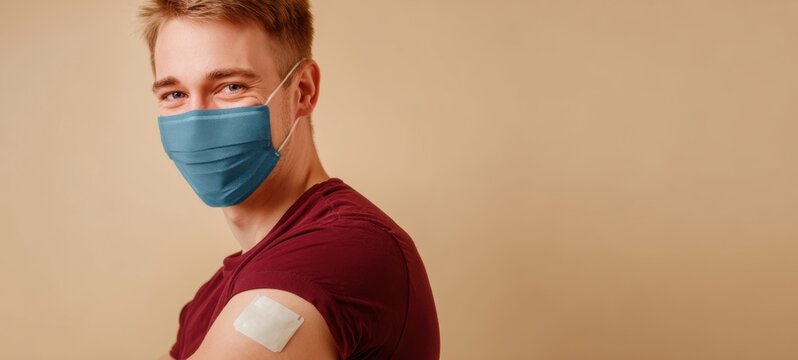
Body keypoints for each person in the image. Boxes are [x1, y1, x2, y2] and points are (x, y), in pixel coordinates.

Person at [137, 1, 440, 359]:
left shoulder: (342, 252)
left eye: (231, 86)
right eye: (175, 95)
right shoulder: (210, 299)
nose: (196, 120)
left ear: (303, 91)